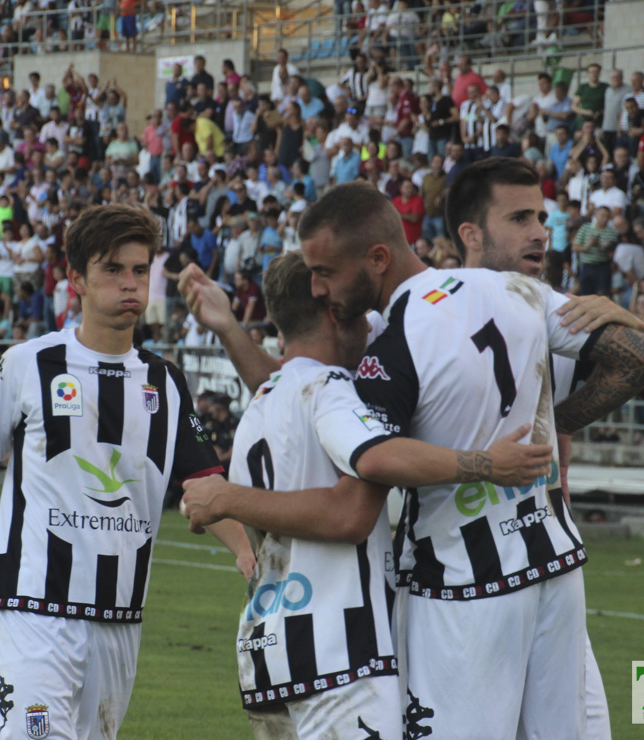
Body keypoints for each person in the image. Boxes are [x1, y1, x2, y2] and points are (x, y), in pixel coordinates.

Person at [182, 168, 644, 737]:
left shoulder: (351, 366)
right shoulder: (513, 293)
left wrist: (227, 494)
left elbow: (345, 463)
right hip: (550, 560)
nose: (323, 289)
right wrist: (552, 422)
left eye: (326, 274)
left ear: (376, 260)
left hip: (447, 586)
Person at [0, 205, 253, 739]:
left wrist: (247, 553)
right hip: (34, 608)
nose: (129, 284)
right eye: (112, 270)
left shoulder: (167, 382)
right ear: (76, 281)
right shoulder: (27, 364)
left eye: (139, 270)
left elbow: (207, 485)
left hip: (120, 619)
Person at [185, 251, 554, 740]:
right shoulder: (335, 391)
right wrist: (486, 464)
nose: (373, 330)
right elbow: (350, 510)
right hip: (341, 657)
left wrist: (230, 329)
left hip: (270, 650)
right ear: (335, 311)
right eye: (362, 315)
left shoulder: (266, 396)